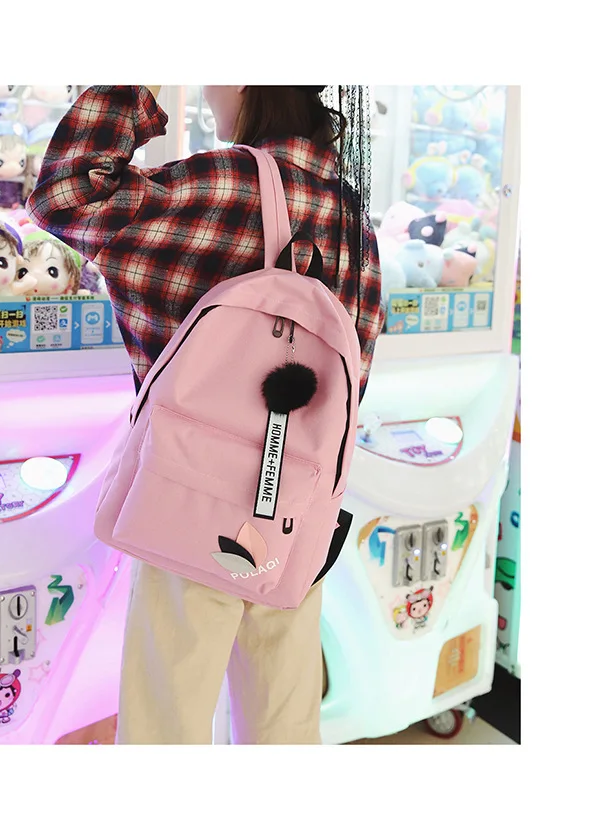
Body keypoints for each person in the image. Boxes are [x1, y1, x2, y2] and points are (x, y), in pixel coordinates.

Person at [27, 85, 383, 745]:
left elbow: (64, 195)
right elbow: (352, 381)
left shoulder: (221, 184)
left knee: (168, 724)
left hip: (191, 500)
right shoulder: (351, 217)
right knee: (283, 722)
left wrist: (139, 81)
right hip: (296, 515)